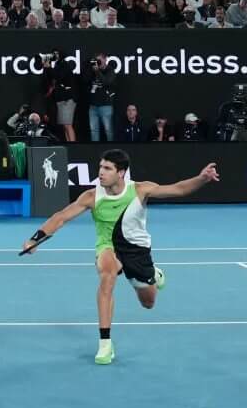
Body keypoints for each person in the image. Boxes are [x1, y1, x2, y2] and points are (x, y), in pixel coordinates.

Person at [19, 148, 221, 364]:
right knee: (107, 276)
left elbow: (178, 190)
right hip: (108, 247)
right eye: (100, 167)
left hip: (136, 251)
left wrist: (202, 179)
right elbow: (61, 217)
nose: (101, 173)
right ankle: (105, 344)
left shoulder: (141, 190)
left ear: (121, 172)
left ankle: (153, 273)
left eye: (107, 168)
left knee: (148, 302)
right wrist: (35, 239)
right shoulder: (92, 196)